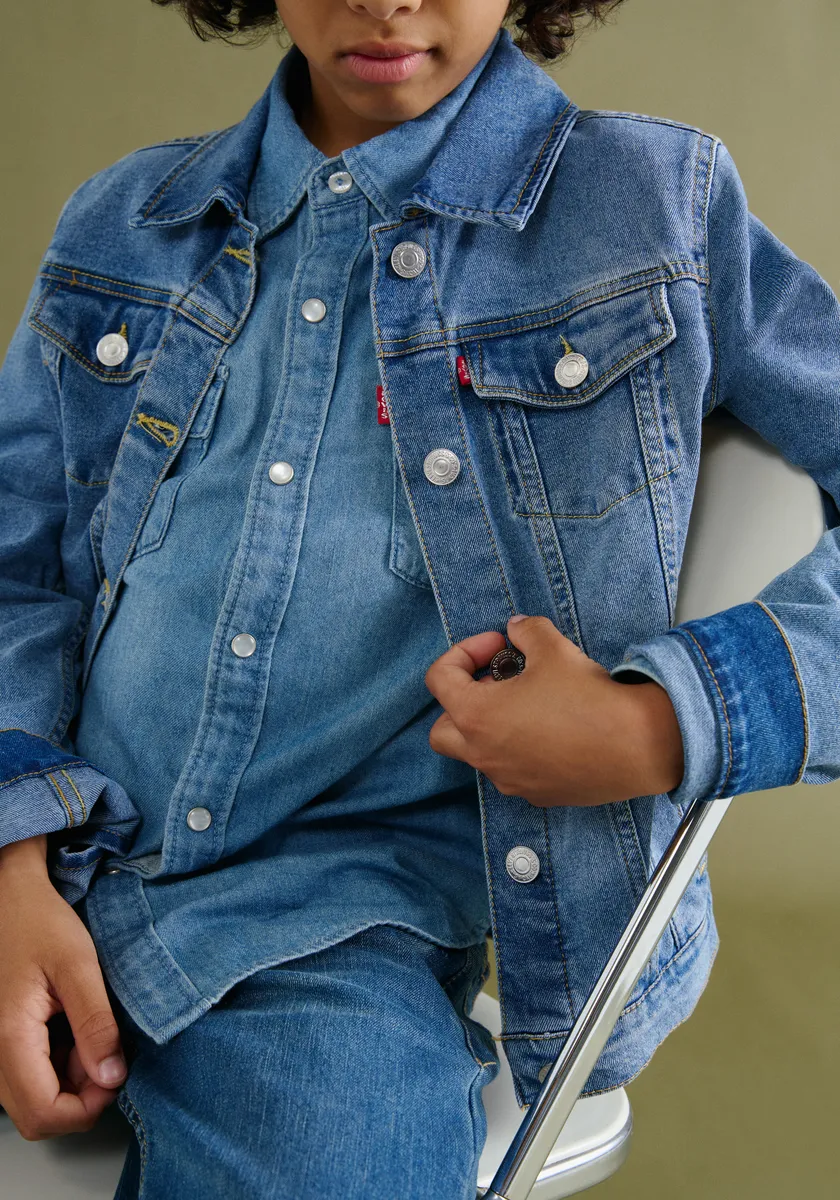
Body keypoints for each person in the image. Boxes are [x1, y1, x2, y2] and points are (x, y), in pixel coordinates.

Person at [1, 1, 839, 1196]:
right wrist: (14, 861)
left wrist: (660, 722)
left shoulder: (656, 209)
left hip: (330, 939)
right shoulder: (126, 222)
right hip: (52, 857)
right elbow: (17, 566)